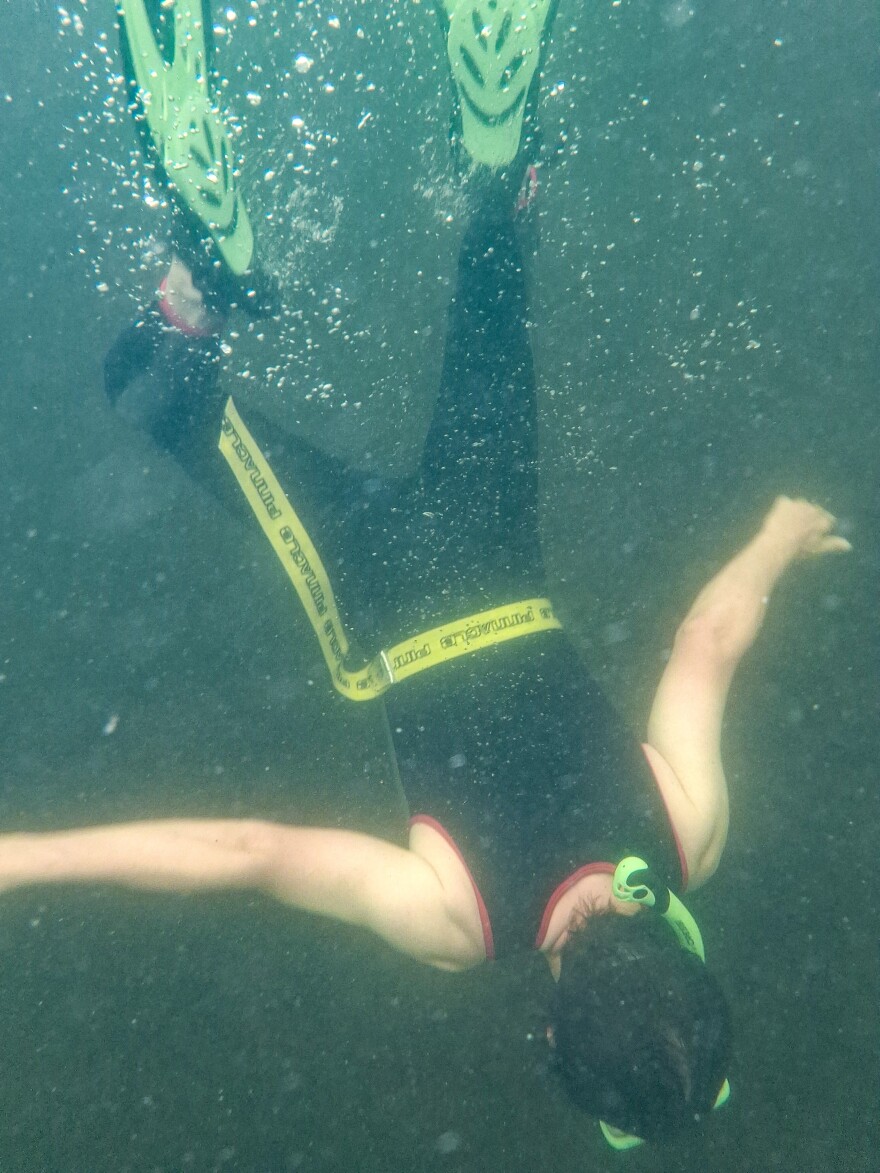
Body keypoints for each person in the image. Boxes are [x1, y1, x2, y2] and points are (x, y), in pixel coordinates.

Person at [8, 0, 851, 1150]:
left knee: (494, 269)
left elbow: (706, 642)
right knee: (147, 383)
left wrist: (776, 536)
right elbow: (247, 852)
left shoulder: (687, 831)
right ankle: (192, 297)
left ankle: (499, 164)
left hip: (494, 538)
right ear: (549, 1031)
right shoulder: (458, 920)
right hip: (373, 591)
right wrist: (23, 861)